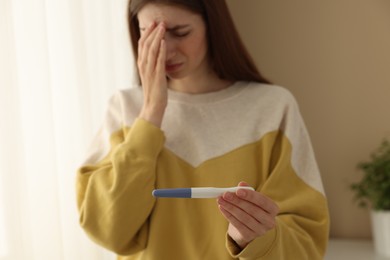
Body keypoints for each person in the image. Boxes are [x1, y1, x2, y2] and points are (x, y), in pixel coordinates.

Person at [76, 0, 330, 259]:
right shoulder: (124, 108)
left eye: (181, 32)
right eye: (149, 33)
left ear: (213, 26)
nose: (165, 48)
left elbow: (306, 243)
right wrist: (151, 112)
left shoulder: (273, 108)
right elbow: (108, 231)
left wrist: (252, 238)